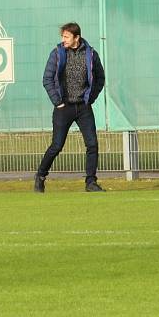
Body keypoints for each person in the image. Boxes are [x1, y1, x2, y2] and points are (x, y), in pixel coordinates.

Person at [35, 22, 106, 193]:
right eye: (63, 36)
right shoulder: (57, 54)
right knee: (57, 146)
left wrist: (91, 98)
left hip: (83, 107)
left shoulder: (90, 54)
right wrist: (57, 102)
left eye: (67, 36)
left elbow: (100, 78)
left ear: (76, 38)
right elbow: (47, 79)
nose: (63, 39)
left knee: (92, 144)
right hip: (63, 107)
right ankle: (40, 176)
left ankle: (91, 182)